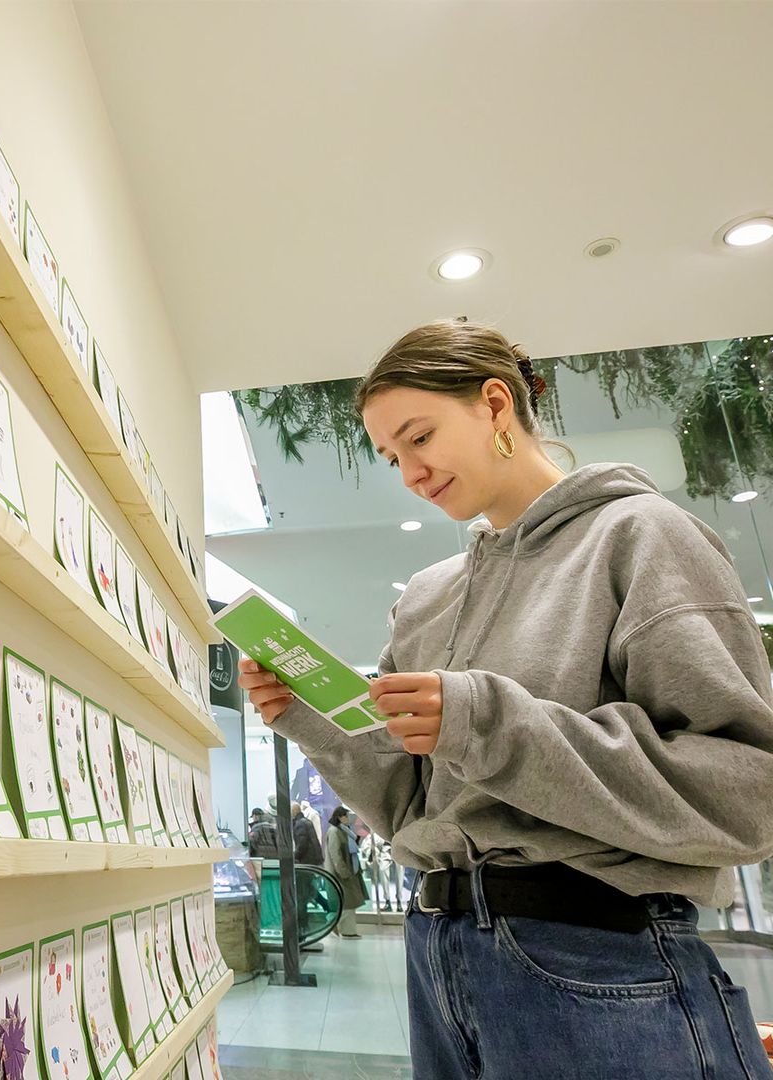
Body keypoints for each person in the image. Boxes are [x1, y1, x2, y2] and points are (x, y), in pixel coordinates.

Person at [238, 320, 773, 1079]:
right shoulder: (426, 597)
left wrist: (486, 720)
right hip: (438, 953)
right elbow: (409, 806)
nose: (410, 474)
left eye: (419, 437)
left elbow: (748, 797)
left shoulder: (641, 537)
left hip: (599, 955)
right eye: (392, 457)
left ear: (494, 404)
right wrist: (309, 720)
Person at [324, 805, 367, 937]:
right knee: (347, 903)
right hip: (340, 875)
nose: (349, 819)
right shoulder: (335, 832)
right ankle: (344, 929)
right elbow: (335, 854)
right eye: (346, 816)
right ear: (340, 817)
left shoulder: (344, 831)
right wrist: (343, 872)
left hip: (347, 873)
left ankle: (340, 927)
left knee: (348, 904)